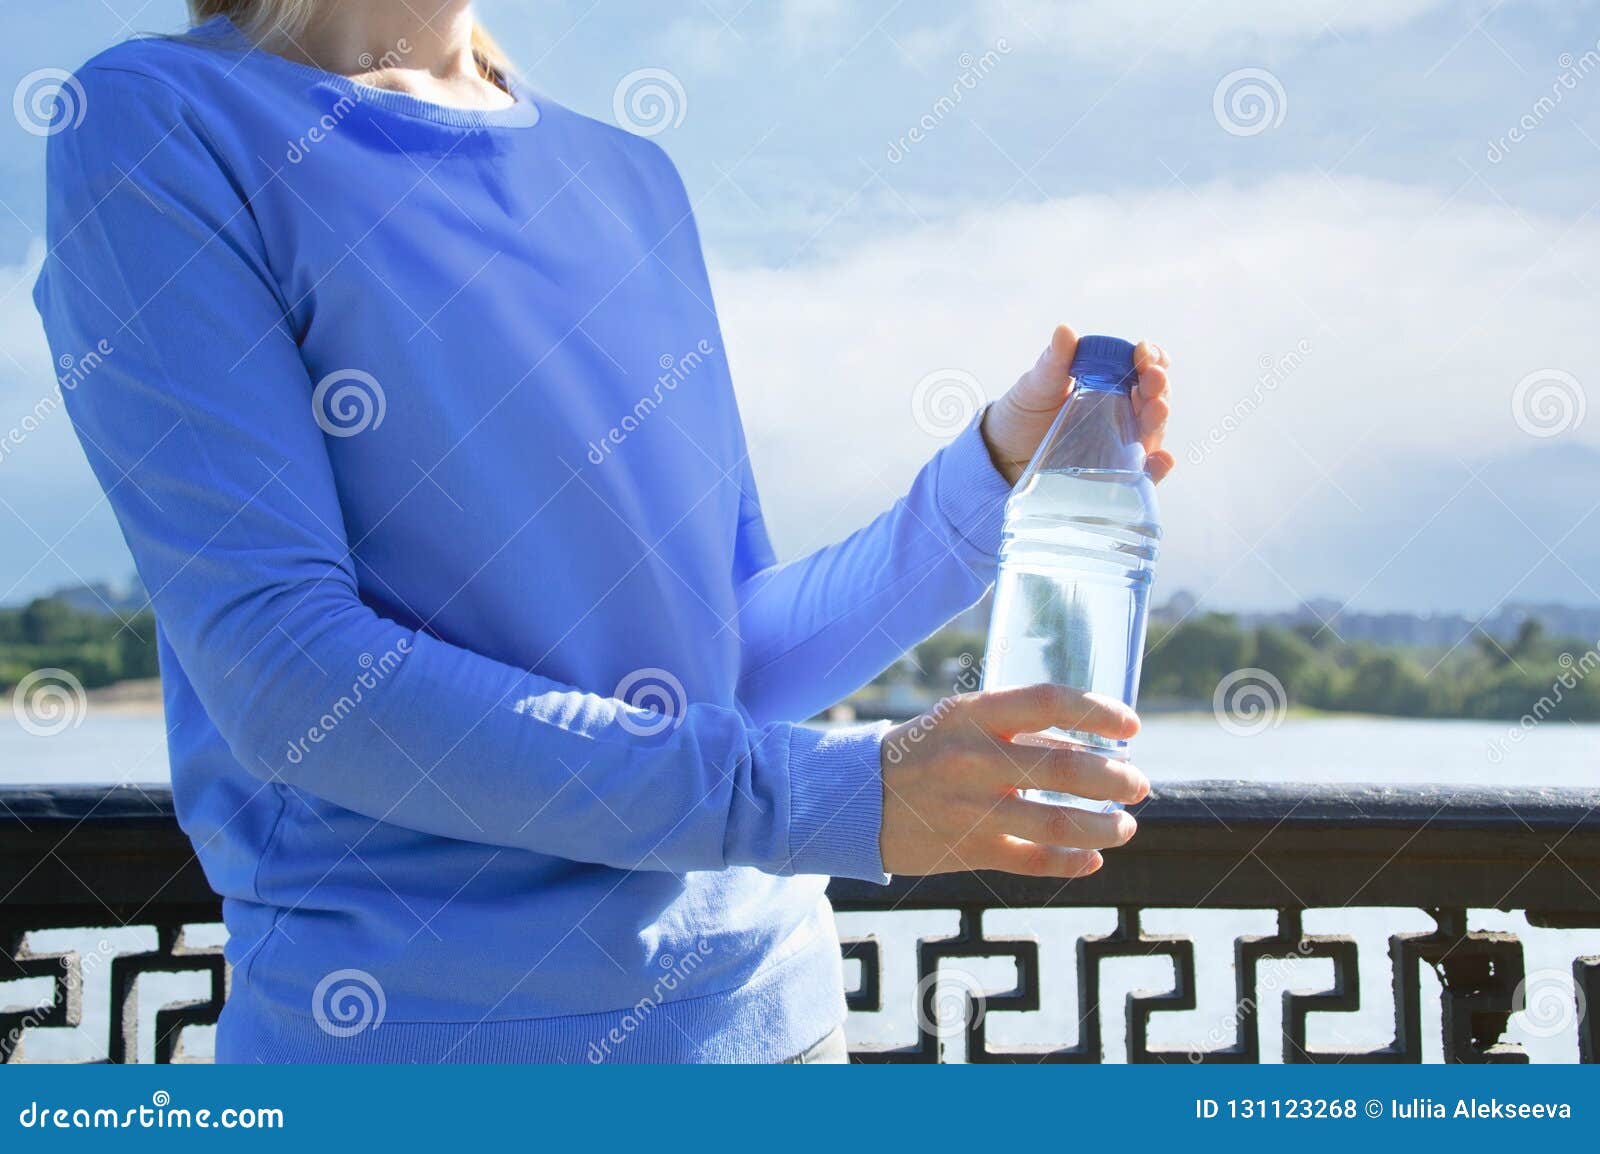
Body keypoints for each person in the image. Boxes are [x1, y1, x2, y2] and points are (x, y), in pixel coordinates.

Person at [33, 0, 1175, 1063]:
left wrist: (985, 484)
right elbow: (290, 675)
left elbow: (725, 661)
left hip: (777, 1026)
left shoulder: (631, 175)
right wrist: (844, 796)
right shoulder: (158, 121)